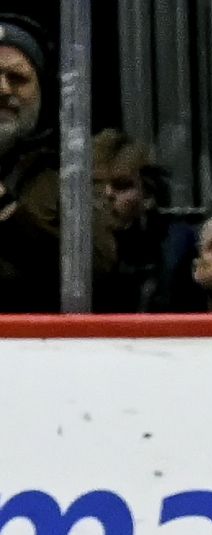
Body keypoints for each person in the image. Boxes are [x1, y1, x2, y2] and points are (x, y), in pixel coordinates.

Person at [0, 15, 112, 312]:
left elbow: (100, 272)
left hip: (42, 347)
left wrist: (9, 213)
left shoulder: (69, 175)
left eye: (18, 78)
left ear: (42, 92)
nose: (3, 90)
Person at [93, 130, 170, 312]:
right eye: (95, 184)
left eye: (121, 185)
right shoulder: (69, 251)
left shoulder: (169, 252)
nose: (107, 193)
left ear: (148, 195)